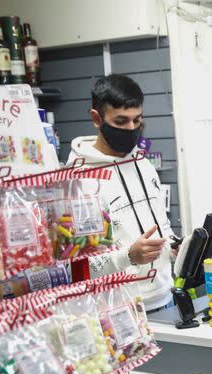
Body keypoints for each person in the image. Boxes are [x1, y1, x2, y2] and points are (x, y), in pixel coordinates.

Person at [68, 74, 174, 312]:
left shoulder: (144, 166)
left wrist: (175, 246)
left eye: (137, 120)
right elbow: (80, 266)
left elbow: (163, 227)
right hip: (118, 312)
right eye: (121, 121)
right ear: (97, 118)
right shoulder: (80, 182)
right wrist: (128, 256)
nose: (131, 129)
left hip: (165, 298)